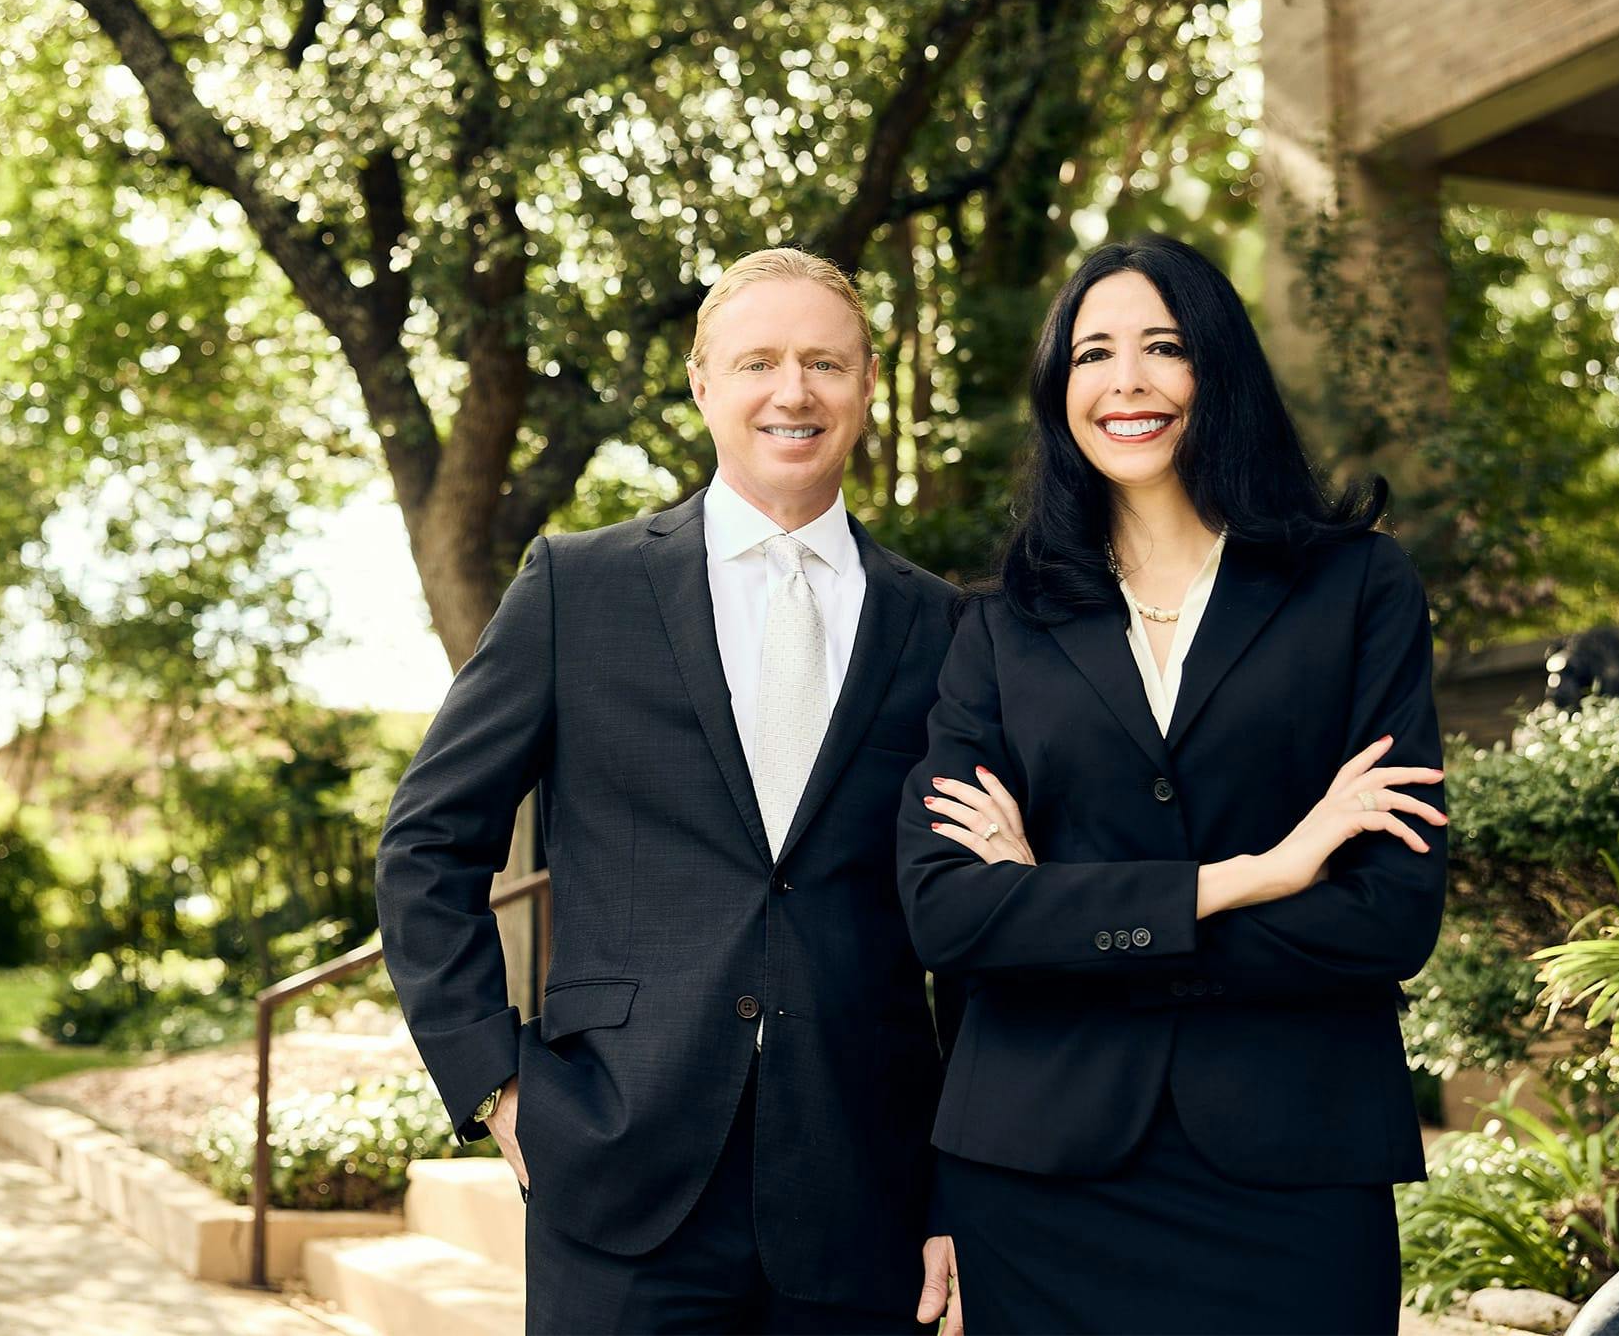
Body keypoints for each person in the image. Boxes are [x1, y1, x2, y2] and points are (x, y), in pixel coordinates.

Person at [378, 247, 960, 1334]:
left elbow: (976, 919)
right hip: (617, 1170)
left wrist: (964, 1185)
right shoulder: (579, 587)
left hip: (865, 1187)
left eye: (825, 362)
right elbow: (426, 846)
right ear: (704, 385)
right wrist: (498, 1087)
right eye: (760, 362)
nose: (794, 391)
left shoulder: (942, 628)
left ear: (869, 382)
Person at [897, 234, 1448, 1335]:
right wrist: (1258, 873)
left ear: (1220, 370)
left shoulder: (1354, 588)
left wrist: (1057, 904)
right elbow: (948, 911)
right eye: (1094, 352)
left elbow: (1388, 916)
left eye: (1164, 346)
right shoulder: (999, 624)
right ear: (1061, 391)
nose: (1127, 380)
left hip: (1294, 1166)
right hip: (1042, 1178)